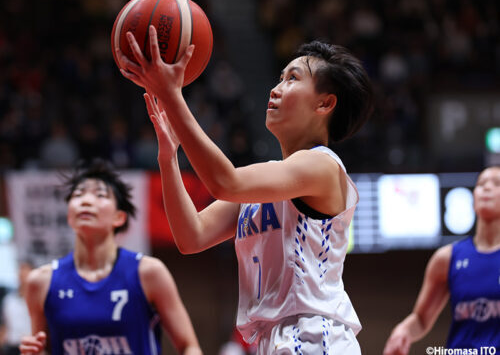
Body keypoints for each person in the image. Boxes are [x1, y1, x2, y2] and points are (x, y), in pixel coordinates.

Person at [116, 26, 373, 354]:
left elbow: (225, 182)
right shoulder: (269, 183)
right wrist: (168, 158)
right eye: (279, 78)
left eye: (292, 78)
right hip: (272, 339)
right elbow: (190, 236)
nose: (277, 88)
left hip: (314, 333)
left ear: (325, 104)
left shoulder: (322, 166)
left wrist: (172, 95)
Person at [19, 159, 202, 355]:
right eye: (78, 194)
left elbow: (189, 346)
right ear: (69, 216)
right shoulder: (40, 282)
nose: (86, 201)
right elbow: (43, 348)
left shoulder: (148, 272)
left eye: (100, 195)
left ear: (119, 217)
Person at [383, 166, 500, 354]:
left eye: (496, 184)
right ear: (473, 200)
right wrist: (404, 330)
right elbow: (420, 319)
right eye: (481, 184)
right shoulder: (447, 257)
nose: (486, 188)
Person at [0, 261, 33, 355]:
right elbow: (4, 325)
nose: (23, 278)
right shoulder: (9, 300)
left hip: (31, 346)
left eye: (26, 274)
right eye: (21, 274)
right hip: (11, 346)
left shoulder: (38, 300)